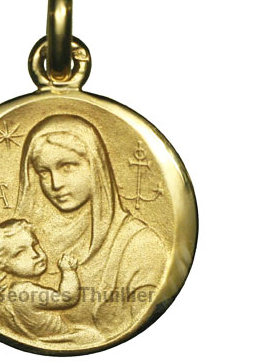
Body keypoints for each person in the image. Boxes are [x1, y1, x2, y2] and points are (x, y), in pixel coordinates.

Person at [13, 114, 167, 340]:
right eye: (43, 172)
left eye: (67, 166)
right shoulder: (23, 242)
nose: (55, 184)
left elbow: (144, 325)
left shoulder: (140, 245)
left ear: (95, 166)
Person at [0, 218, 103, 342]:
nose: (35, 253)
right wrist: (68, 271)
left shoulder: (7, 292)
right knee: (92, 337)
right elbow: (67, 298)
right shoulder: (24, 291)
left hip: (34, 341)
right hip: (57, 339)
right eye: (19, 253)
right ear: (2, 264)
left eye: (35, 244)